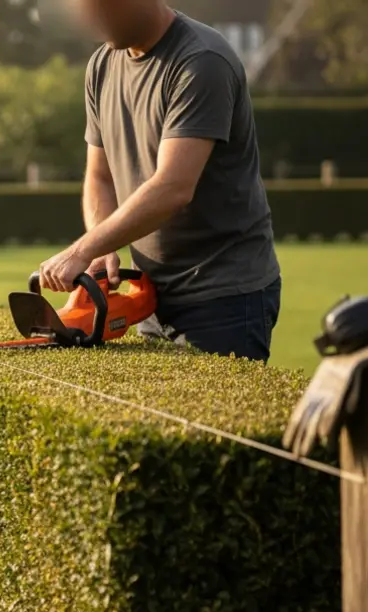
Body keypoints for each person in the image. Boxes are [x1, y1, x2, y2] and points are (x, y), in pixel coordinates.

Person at [37, 0, 282, 362]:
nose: (98, 25)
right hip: (149, 297)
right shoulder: (102, 66)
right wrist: (104, 248)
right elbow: (100, 177)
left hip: (224, 297)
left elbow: (173, 187)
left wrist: (80, 250)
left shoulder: (202, 61)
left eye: (105, 11)